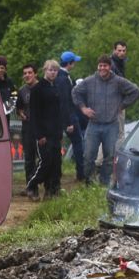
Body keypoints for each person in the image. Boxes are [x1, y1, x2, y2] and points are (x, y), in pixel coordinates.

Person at [72, 54, 139, 186]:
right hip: (94, 124)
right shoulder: (90, 81)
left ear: (110, 67)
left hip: (111, 124)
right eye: (100, 66)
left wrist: (122, 105)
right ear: (98, 67)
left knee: (109, 157)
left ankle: (103, 183)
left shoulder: (118, 81)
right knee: (88, 156)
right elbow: (75, 92)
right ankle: (89, 182)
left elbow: (136, 92)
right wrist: (83, 108)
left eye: (105, 66)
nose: (102, 68)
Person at [26, 60, 65, 199]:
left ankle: (52, 190)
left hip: (55, 133)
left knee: (56, 163)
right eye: (50, 70)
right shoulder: (37, 89)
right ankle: (31, 184)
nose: (53, 72)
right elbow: (34, 115)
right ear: (44, 71)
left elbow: (59, 112)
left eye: (55, 70)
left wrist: (61, 131)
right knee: (45, 162)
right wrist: (39, 135)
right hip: (43, 134)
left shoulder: (56, 88)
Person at [56, 51, 85, 182]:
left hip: (66, 115)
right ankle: (81, 173)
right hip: (69, 116)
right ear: (70, 63)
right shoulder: (63, 78)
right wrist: (68, 122)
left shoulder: (62, 76)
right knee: (78, 144)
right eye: (74, 62)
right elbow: (64, 101)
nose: (75, 64)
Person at [16, 64, 39, 197]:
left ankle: (50, 187)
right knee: (29, 159)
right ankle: (31, 187)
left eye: (30, 73)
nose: (27, 75)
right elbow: (19, 108)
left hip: (42, 127)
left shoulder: (42, 87)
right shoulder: (22, 91)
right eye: (25, 73)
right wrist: (21, 113)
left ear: (35, 74)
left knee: (43, 158)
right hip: (28, 127)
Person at [110, 41, 129, 145]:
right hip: (116, 102)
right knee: (120, 134)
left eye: (124, 50)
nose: (121, 53)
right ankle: (116, 160)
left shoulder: (120, 62)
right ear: (114, 50)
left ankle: (99, 160)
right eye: (119, 50)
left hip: (117, 101)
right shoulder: (112, 64)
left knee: (111, 132)